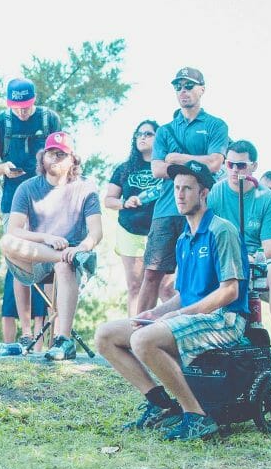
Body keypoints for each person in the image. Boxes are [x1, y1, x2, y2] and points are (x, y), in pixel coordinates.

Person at [94, 160, 248, 441]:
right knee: (106, 335)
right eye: (176, 188)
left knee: (143, 340)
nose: (179, 194)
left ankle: (196, 416)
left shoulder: (221, 230)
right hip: (195, 317)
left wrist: (176, 316)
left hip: (225, 319)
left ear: (203, 193)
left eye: (187, 188)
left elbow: (230, 292)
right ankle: (160, 405)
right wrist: (156, 313)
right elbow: (182, 296)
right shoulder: (183, 238)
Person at [0, 132, 102, 361]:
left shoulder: (86, 189)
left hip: (72, 257)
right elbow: (14, 230)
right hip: (38, 256)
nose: (55, 158)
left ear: (73, 160)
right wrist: (46, 238)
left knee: (65, 265)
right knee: (6, 241)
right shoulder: (27, 188)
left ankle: (64, 341)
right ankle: (63, 258)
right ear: (42, 157)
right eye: (50, 153)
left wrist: (80, 249)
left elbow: (96, 232)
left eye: (61, 154)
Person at [135, 67, 228, 316]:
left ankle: (193, 331)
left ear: (202, 89)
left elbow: (215, 164)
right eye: (178, 87)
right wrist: (195, 163)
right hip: (166, 209)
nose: (183, 91)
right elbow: (156, 169)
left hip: (203, 209)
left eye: (188, 86)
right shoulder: (165, 130)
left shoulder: (216, 125)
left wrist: (177, 159)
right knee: (152, 272)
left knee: (201, 275)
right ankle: (134, 330)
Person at [0, 77, 62, 346]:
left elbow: (64, 157)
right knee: (19, 263)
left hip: (47, 200)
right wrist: (4, 169)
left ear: (34, 99)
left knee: (52, 263)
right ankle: (27, 332)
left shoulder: (49, 120)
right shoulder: (1, 123)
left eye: (26, 106)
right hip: (13, 202)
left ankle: (55, 335)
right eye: (16, 106)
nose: (22, 111)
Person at [205, 141, 271, 364]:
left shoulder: (267, 198)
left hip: (257, 257)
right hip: (222, 257)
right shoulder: (215, 193)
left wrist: (252, 256)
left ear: (253, 166)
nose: (234, 170)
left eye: (241, 165)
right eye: (230, 164)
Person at [104, 120, 163, 316]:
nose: (142, 137)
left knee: (166, 287)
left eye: (148, 134)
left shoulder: (164, 167)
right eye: (139, 134)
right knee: (136, 286)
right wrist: (124, 203)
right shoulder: (124, 168)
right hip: (131, 230)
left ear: (159, 137)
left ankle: (168, 332)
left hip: (162, 231)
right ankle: (135, 332)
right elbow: (109, 200)